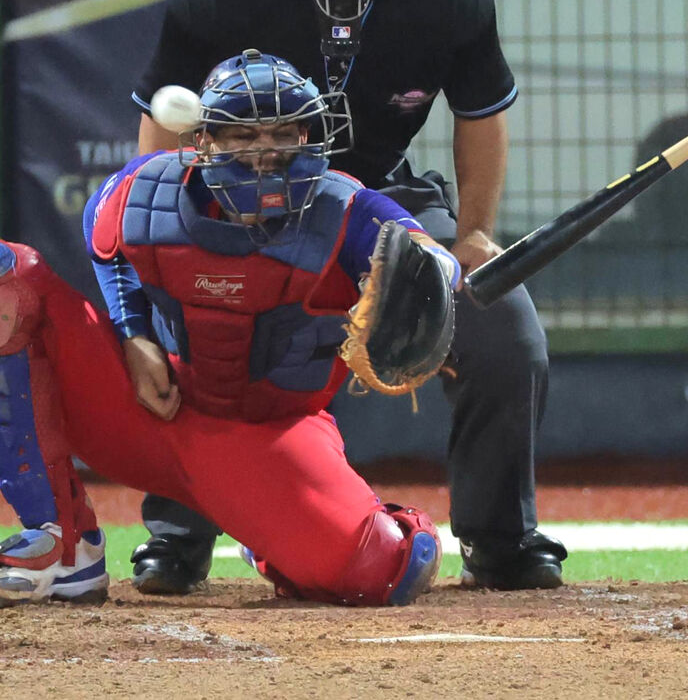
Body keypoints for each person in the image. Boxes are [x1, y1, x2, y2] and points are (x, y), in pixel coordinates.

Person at [128, 0, 565, 595]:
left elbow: (481, 119)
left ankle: (501, 538)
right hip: (241, 201)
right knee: (189, 330)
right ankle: (177, 536)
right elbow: (162, 130)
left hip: (386, 202)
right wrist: (161, 242)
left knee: (506, 329)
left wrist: (473, 233)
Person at [0, 51, 453, 606]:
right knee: (8, 281)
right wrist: (133, 333)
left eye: (285, 133)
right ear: (206, 140)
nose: (267, 154)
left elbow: (419, 251)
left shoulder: (348, 207)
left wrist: (433, 273)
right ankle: (63, 547)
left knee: (385, 571)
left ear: (310, 136)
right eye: (244, 136)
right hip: (151, 412)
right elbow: (105, 234)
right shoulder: (147, 191)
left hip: (266, 442)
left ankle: (276, 533)